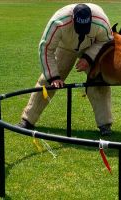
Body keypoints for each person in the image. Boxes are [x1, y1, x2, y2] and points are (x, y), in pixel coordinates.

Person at [18, 3, 114, 136]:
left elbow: (106, 40)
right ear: (72, 18)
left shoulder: (101, 22)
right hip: (65, 46)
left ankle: (105, 124)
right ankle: (27, 119)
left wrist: (88, 57)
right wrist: (54, 76)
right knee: (47, 81)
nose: (81, 30)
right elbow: (46, 48)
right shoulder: (58, 22)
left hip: (92, 45)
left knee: (98, 81)